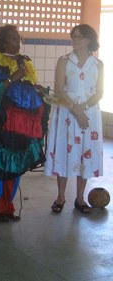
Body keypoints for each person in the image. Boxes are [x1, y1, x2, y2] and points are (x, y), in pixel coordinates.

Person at [0, 24, 47, 222]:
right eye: (13, 38)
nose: (18, 41)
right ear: (3, 42)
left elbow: (28, 86)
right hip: (3, 124)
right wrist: (11, 79)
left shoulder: (25, 63)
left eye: (19, 38)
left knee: (17, 166)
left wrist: (39, 91)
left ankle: (7, 206)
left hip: (24, 125)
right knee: (0, 166)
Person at [44, 24, 104, 214]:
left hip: (90, 115)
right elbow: (59, 90)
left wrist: (83, 109)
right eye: (74, 36)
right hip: (67, 114)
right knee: (64, 152)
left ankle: (80, 198)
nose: (75, 40)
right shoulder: (64, 61)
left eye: (80, 37)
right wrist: (76, 112)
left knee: (85, 153)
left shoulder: (98, 64)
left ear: (89, 41)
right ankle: (61, 197)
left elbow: (100, 92)